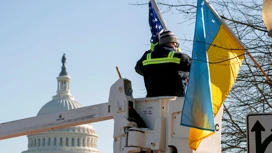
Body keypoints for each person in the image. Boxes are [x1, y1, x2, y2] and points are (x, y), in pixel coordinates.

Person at [135, 30, 191, 97]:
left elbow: (138, 69)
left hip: (153, 101)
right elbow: (195, 68)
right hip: (176, 101)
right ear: (172, 43)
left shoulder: (147, 57)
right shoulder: (180, 57)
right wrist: (186, 75)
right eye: (176, 45)